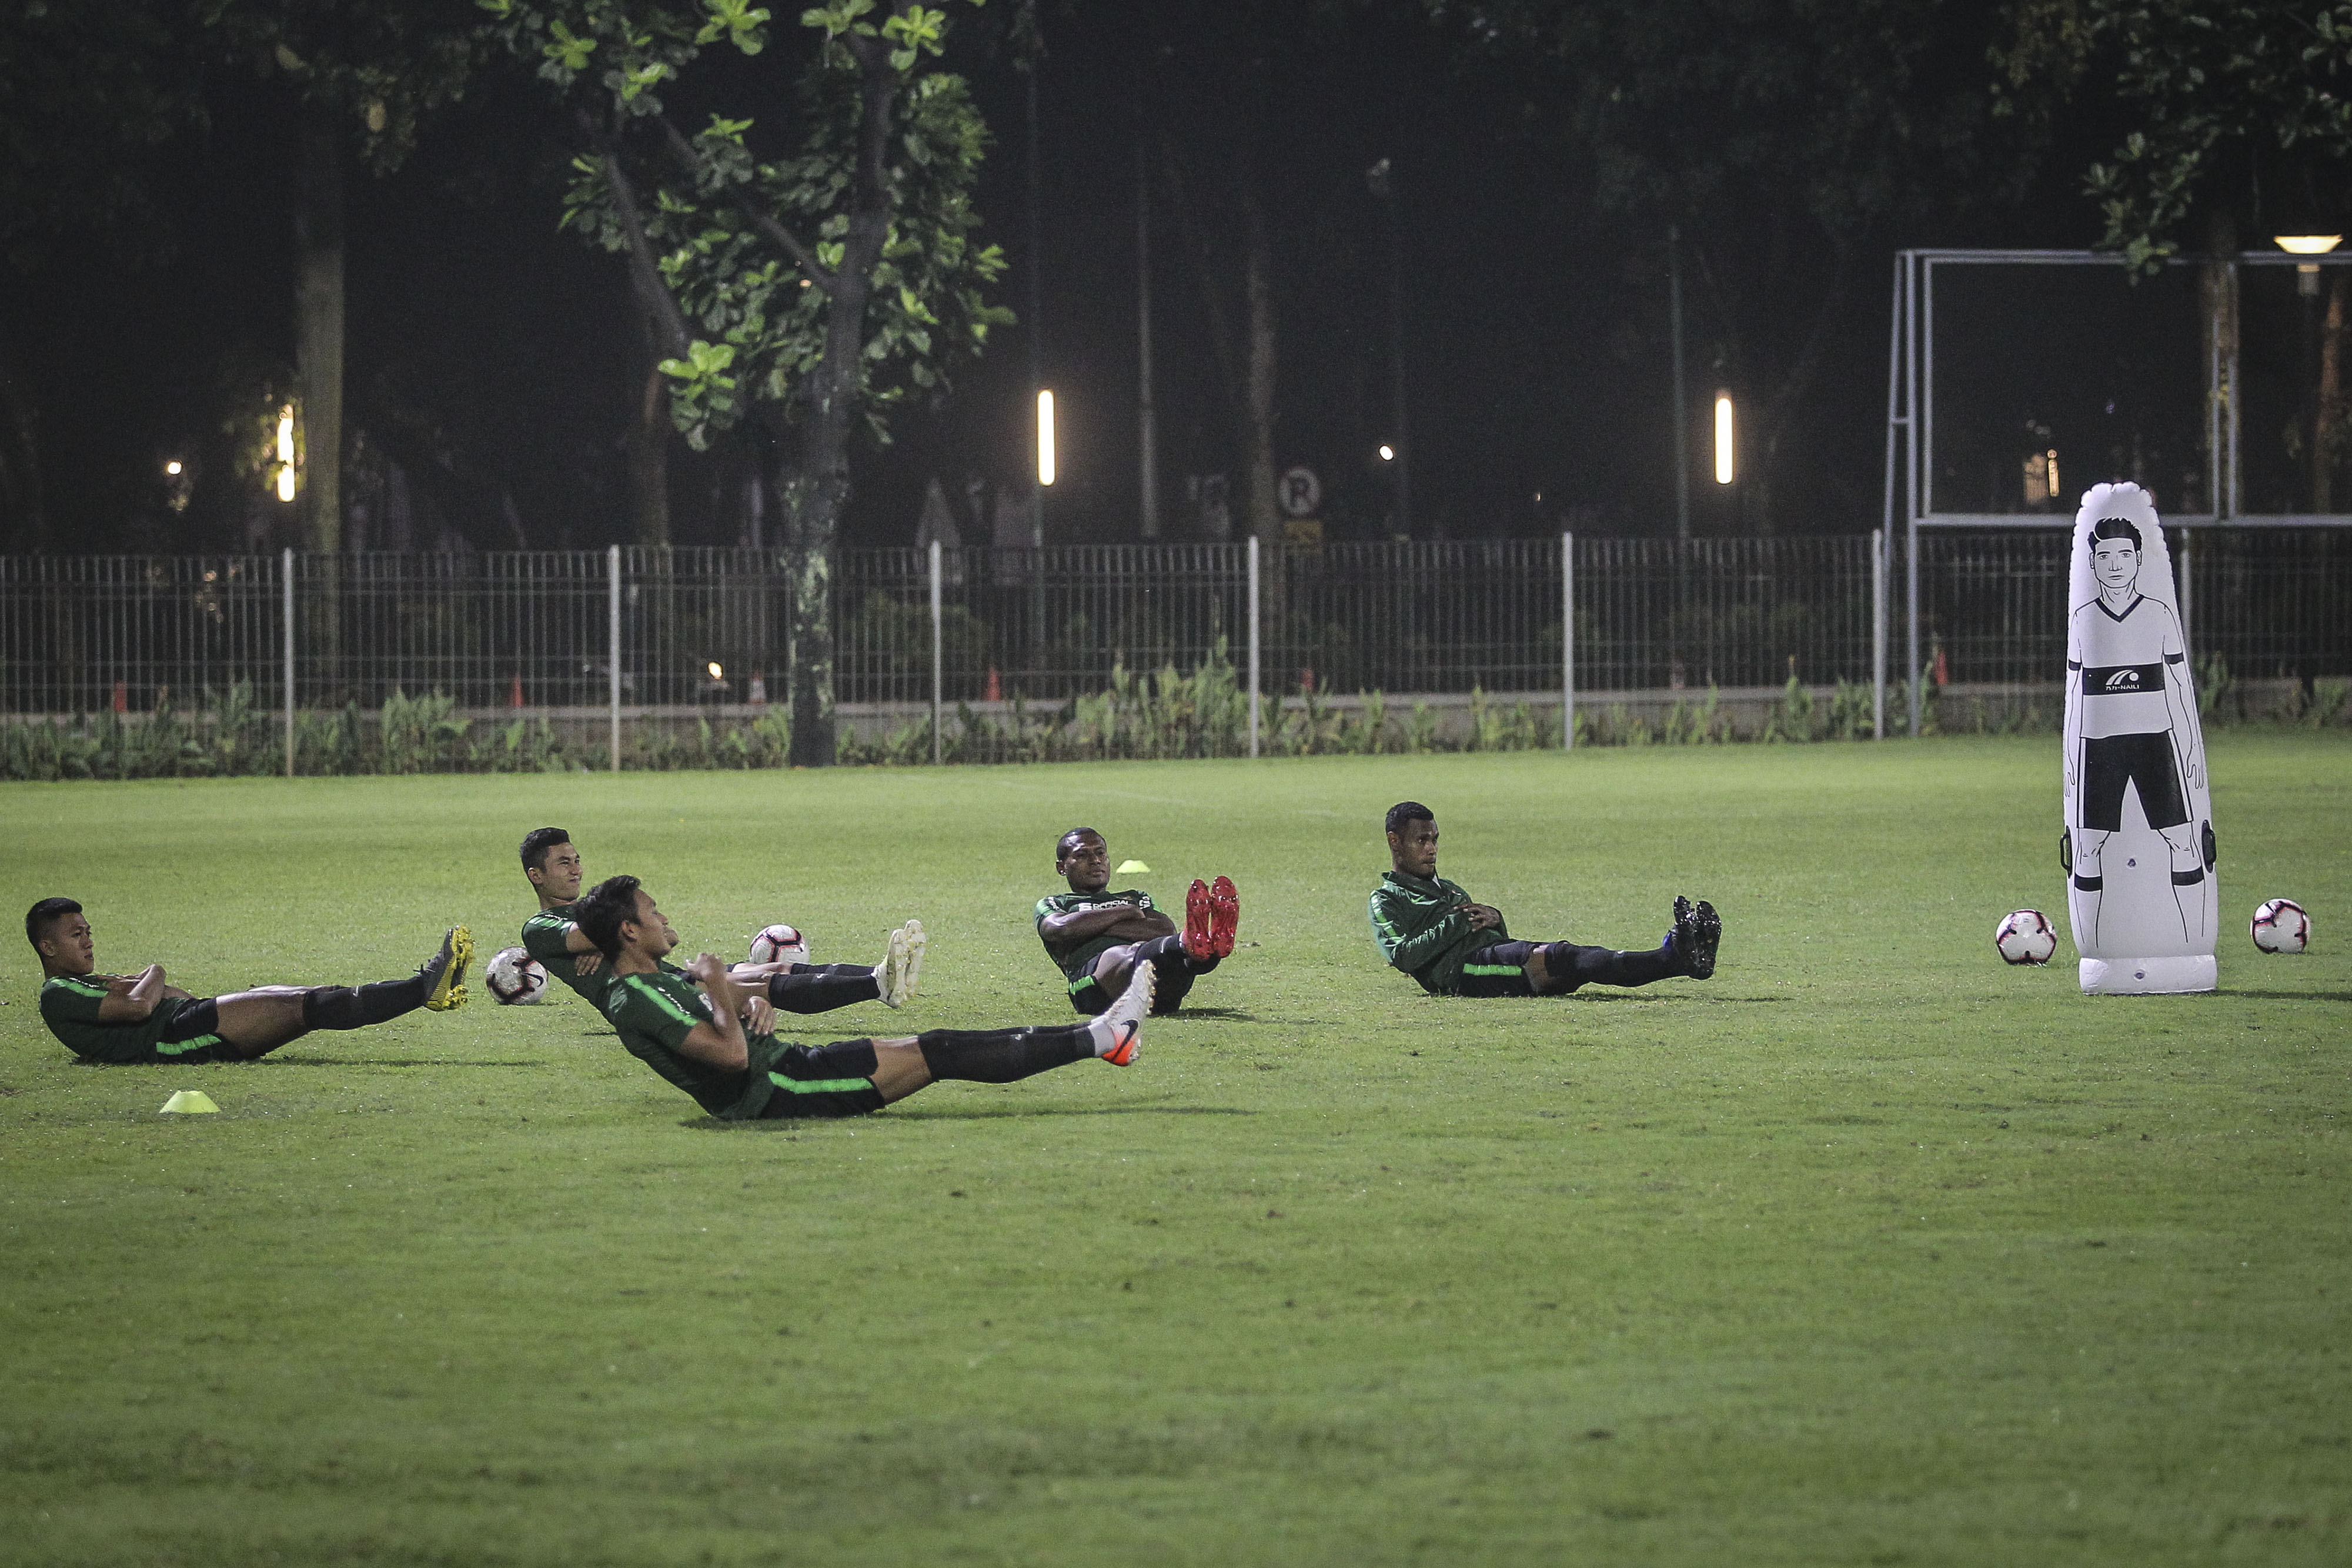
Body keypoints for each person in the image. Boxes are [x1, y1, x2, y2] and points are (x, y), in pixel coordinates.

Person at [572, 874, 1153, 1122]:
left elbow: (722, 1033)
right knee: (942, 1052)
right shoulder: (640, 995)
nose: (662, 916)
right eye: (651, 912)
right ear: (628, 931)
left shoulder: (648, 983)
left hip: (788, 1073)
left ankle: (1105, 1035)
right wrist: (724, 993)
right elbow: (729, 1058)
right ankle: (1106, 1037)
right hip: (782, 1091)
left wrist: (748, 1007)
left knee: (938, 1049)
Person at [516, 826, 922, 1012]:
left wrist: (609, 940)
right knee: (756, 983)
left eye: (577, 859)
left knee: (770, 966)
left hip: (671, 974)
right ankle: (875, 985)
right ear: (537, 875)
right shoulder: (539, 929)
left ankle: (883, 977)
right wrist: (612, 937)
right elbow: (605, 935)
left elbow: (666, 934)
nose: (576, 869)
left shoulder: (591, 911)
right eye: (563, 863)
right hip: (653, 997)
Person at [25, 897, 470, 1064]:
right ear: (48, 947)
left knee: (307, 997)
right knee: (305, 1007)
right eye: (75, 934)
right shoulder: (57, 993)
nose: (87, 940)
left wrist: (148, 985)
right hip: (178, 1038)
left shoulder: (86, 982)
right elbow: (141, 1005)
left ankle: (427, 986)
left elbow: (163, 996)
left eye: (88, 931)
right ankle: (424, 987)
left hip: (188, 1018)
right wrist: (153, 971)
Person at [1368, 802, 1720, 997]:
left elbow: (1493, 937)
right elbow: (1403, 956)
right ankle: (1673, 956)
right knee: (1567, 958)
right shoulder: (1386, 899)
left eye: (1435, 839)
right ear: (1394, 842)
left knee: (1574, 962)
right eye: (1422, 841)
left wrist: (1494, 917)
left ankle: (1677, 960)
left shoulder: (1450, 889)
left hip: (1491, 957)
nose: (1432, 849)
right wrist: (1457, 923)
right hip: (1465, 974)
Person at [2063, 515, 2208, 944]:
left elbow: (2181, 687)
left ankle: (2193, 939)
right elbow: (2074, 694)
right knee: (2088, 848)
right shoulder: (2084, 620)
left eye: (2124, 554)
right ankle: (2095, 946)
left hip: (2154, 744)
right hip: (2100, 748)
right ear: (2092, 563)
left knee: (2183, 841)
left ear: (2139, 559)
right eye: (2105, 556)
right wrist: (2071, 756)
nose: (2115, 564)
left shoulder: (2159, 614)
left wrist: (2190, 749)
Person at [1034, 828, 1235, 1015]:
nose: (1095, 860)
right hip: (1097, 992)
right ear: (1062, 867)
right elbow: (1061, 928)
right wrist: (1126, 912)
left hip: (1163, 994)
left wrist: (1091, 929)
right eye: (1081, 855)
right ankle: (1188, 943)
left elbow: (1162, 929)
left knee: (1180, 961)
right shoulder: (1057, 902)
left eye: (1100, 853)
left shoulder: (1137, 896)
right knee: (1125, 952)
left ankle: (1209, 946)